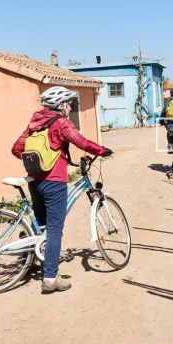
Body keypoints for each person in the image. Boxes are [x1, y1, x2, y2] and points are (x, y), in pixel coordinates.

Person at [11, 86, 112, 294]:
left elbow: (16, 149)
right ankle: (50, 277)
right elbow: (80, 141)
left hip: (35, 181)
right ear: (61, 106)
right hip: (54, 182)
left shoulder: (34, 123)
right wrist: (101, 150)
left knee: (39, 223)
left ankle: (28, 259)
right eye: (68, 104)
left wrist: (38, 162)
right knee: (55, 229)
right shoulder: (61, 123)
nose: (69, 108)